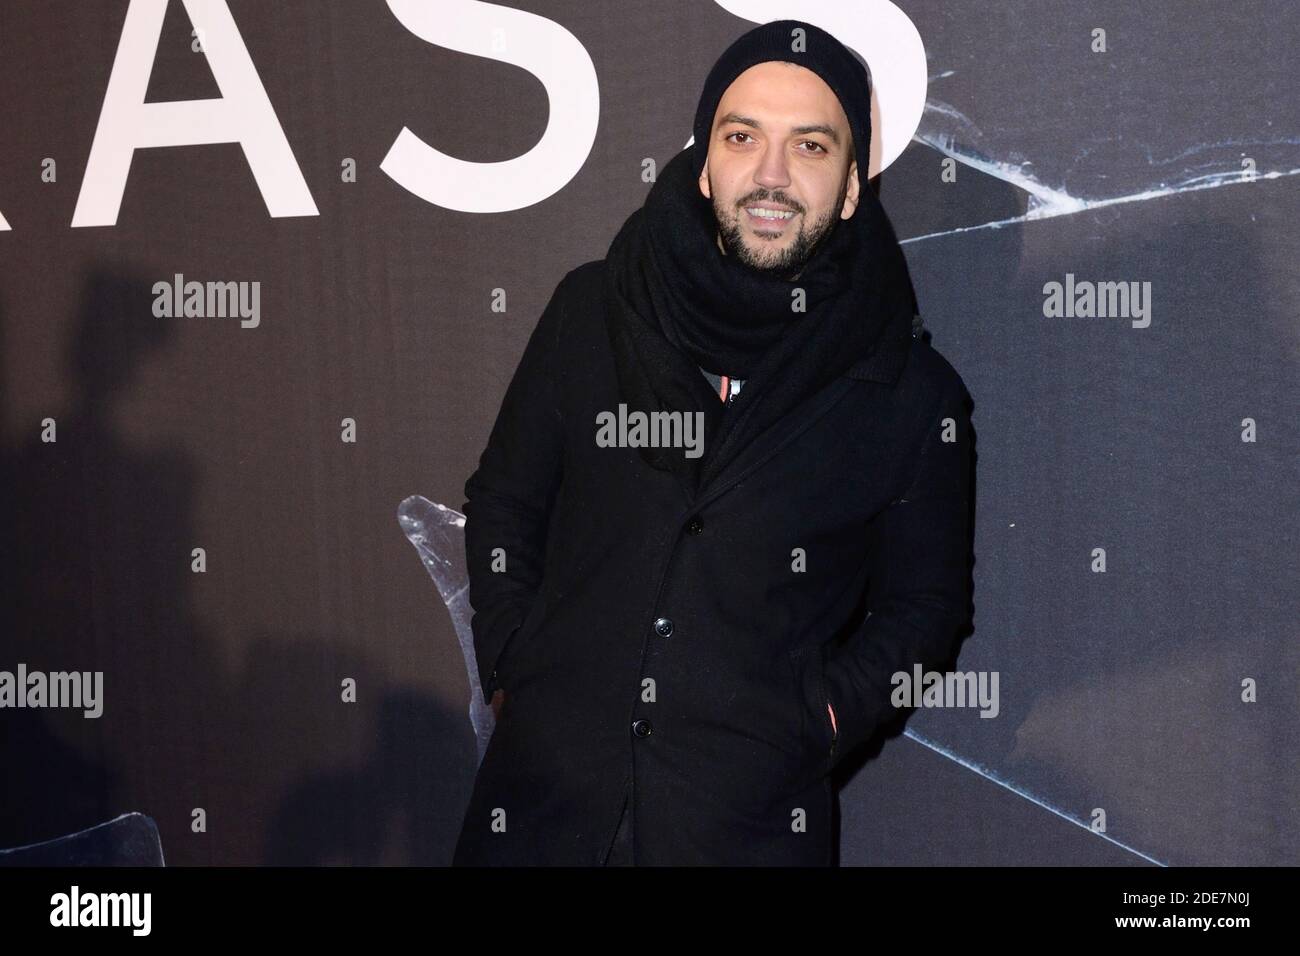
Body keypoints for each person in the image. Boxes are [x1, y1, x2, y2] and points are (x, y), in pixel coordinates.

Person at [453, 19, 972, 867]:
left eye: (810, 145)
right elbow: (504, 501)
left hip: (747, 831)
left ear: (850, 186)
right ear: (706, 163)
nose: (770, 175)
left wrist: (820, 719)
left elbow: (926, 609)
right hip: (537, 815)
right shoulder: (593, 311)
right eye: (742, 138)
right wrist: (518, 661)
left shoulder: (911, 394)